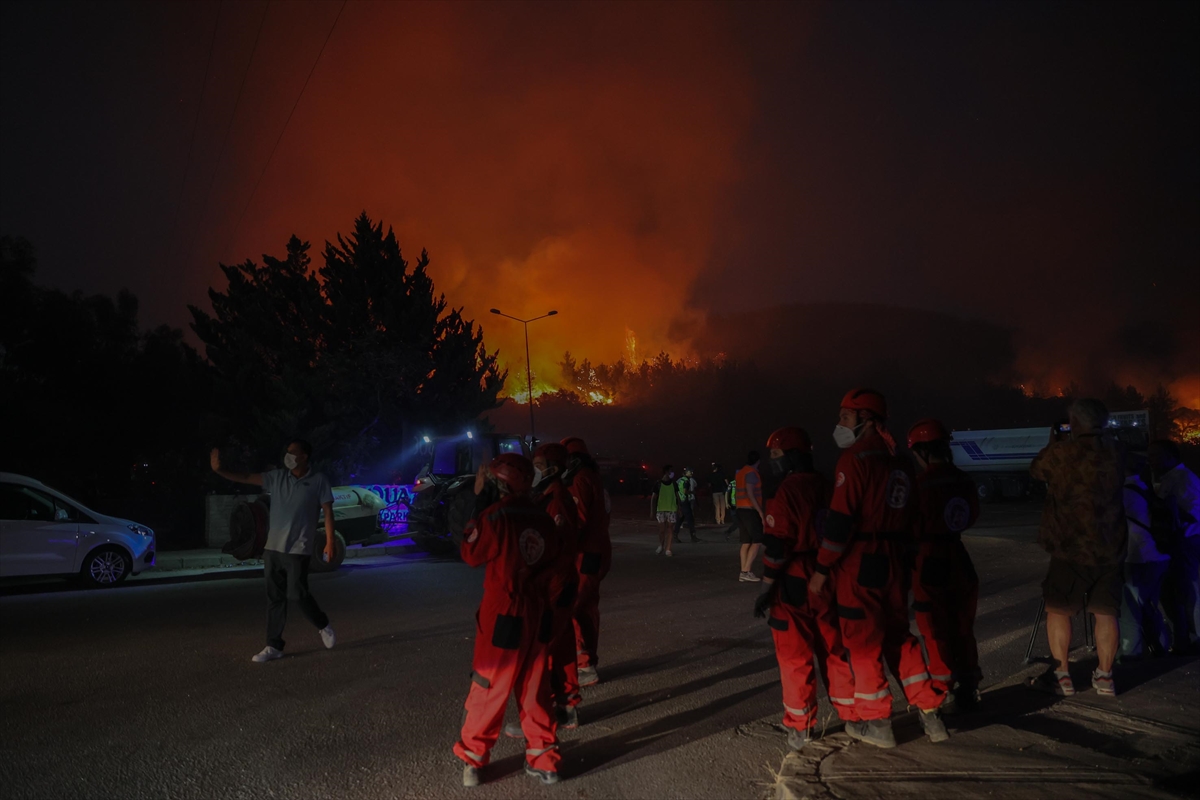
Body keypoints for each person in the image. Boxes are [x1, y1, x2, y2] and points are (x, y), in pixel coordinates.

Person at [808, 389, 947, 748]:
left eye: (845, 416)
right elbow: (914, 515)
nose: (839, 423)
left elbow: (839, 523)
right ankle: (931, 715)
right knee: (899, 635)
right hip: (894, 558)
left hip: (861, 559)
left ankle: (877, 724)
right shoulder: (898, 460)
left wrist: (822, 570)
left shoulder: (855, 460)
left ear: (866, 420)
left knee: (863, 641)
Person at [454, 454, 563, 787]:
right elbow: (558, 566)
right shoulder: (543, 518)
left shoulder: (496, 516)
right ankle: (544, 760)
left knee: (489, 684)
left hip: (505, 612)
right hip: (540, 609)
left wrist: (478, 505)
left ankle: (473, 760)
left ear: (498, 483)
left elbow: (471, 554)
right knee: (535, 687)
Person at [753, 426, 857, 751]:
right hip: (826, 574)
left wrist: (766, 588)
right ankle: (853, 716)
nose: (772, 462)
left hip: (794, 578)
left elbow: (777, 547)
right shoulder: (827, 485)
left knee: (794, 656)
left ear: (791, 457)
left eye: (775, 455)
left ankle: (801, 726)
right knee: (834, 649)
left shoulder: (786, 492)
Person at [1026, 398, 1126, 697]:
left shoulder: (1062, 453)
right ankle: (1105, 677)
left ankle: (1063, 676)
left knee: (1059, 610)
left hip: (1070, 547)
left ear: (1076, 422)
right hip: (1110, 547)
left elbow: (1036, 471)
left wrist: (1053, 441)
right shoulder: (1117, 451)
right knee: (1107, 613)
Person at [210, 440, 337, 663]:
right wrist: (220, 470)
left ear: (304, 456)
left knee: (297, 594)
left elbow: (328, 512)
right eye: (287, 452)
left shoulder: (318, 481)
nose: (287, 456)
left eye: (292, 452)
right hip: (273, 548)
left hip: (299, 548)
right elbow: (247, 478)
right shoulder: (277, 477)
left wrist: (329, 542)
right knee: (275, 598)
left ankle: (322, 624)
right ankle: (274, 645)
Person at [907, 419, 982, 713]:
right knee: (962, 624)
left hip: (929, 559)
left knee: (934, 628)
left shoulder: (921, 485)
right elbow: (970, 515)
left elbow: (911, 524)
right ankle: (970, 686)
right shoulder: (963, 480)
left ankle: (942, 689)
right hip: (958, 555)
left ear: (923, 451)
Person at [561, 437, 611, 688]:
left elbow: (578, 520)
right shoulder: (595, 478)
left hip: (585, 554)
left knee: (571, 606)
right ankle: (589, 661)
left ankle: (584, 665)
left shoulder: (580, 479)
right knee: (588, 607)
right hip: (598, 552)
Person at [1149, 439, 1200, 654]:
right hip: (1179, 543)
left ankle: (1194, 638)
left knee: (1189, 592)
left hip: (1185, 542)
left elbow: (1192, 515)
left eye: (1156, 455)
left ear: (1170, 457)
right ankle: (1185, 638)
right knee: (1178, 593)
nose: (1151, 460)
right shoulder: (1173, 478)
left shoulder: (1184, 479)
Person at [1119, 457, 1171, 660]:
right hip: (1159, 555)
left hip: (1138, 558)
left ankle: (1131, 652)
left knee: (1130, 609)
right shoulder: (1147, 489)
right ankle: (1160, 644)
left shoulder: (1125, 493)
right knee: (1149, 604)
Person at [735, 451, 765, 582]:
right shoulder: (751, 473)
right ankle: (746, 571)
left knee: (746, 542)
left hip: (740, 509)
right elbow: (750, 492)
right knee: (757, 540)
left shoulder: (741, 472)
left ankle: (743, 571)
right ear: (758, 461)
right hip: (750, 510)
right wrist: (760, 511)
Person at [652, 464, 678, 556]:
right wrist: (652, 511)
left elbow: (677, 496)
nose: (672, 473)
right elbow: (653, 498)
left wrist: (679, 509)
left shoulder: (674, 484)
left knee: (670, 529)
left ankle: (668, 548)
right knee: (662, 530)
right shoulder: (658, 484)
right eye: (671, 471)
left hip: (671, 509)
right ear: (666, 472)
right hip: (661, 510)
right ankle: (661, 545)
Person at [674, 467, 699, 542]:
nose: (691, 473)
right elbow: (685, 491)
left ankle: (675, 536)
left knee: (680, 519)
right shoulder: (686, 481)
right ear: (686, 473)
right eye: (690, 472)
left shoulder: (680, 480)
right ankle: (693, 537)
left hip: (680, 501)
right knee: (690, 520)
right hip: (685, 501)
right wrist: (692, 492)